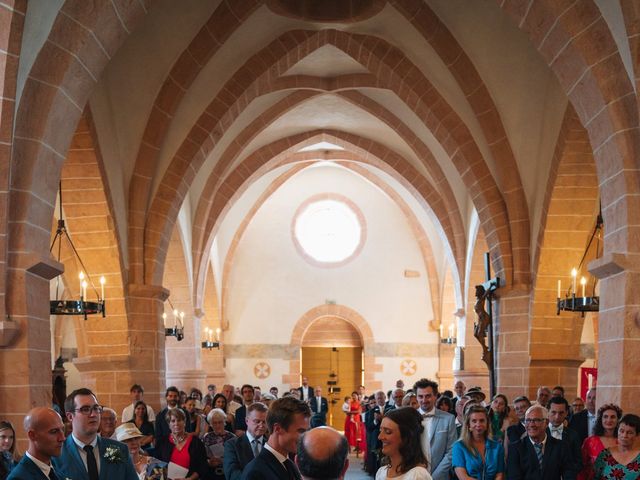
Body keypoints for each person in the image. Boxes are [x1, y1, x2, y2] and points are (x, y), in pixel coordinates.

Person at [54, 388, 138, 480]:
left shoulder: (119, 449)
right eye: (85, 409)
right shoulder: (57, 454)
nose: (93, 414)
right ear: (70, 416)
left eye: (96, 408)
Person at [241, 396, 311, 480]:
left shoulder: (290, 465)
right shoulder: (255, 472)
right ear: (277, 429)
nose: (305, 438)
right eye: (301, 431)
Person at [506, 405, 577, 480]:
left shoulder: (561, 446)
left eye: (536, 420)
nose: (531, 424)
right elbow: (513, 477)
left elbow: (569, 475)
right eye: (528, 420)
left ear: (546, 422)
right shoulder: (516, 448)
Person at [414, 378, 456, 480]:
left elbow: (451, 451)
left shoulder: (448, 419)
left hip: (440, 475)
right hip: (414, 474)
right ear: (416, 397)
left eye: (428, 396)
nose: (424, 400)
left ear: (435, 396)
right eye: (420, 396)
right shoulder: (409, 418)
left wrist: (436, 475)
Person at [7, 408, 65, 480]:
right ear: (32, 435)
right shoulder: (18, 477)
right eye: (54, 431)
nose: (62, 438)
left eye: (62, 429)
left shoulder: (56, 468)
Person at [376, 407, 431, 480]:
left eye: (388, 432)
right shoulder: (382, 472)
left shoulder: (417, 475)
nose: (380, 437)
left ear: (406, 437)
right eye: (380, 430)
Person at [452, 405, 505, 480]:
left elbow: (499, 475)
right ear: (468, 425)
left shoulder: (497, 446)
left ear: (487, 424)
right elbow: (463, 477)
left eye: (482, 420)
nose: (478, 424)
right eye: (474, 421)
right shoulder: (459, 447)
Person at [155, 408, 207, 480]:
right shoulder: (162, 443)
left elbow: (202, 466)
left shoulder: (196, 442)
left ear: (184, 422)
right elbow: (157, 465)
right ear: (169, 424)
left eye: (179, 420)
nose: (176, 423)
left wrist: (190, 479)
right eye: (173, 421)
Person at [223, 402, 267, 480]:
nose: (261, 425)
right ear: (246, 421)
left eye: (264, 422)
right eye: (257, 421)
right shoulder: (232, 445)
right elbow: (232, 474)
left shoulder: (271, 445)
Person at [578, 403, 622, 480]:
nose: (609, 420)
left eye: (613, 417)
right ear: (600, 420)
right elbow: (581, 467)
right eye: (605, 417)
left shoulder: (623, 442)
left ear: (618, 420)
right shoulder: (590, 442)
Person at [593, 414, 640, 480]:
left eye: (630, 432)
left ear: (637, 435)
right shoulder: (605, 455)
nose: (624, 435)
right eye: (621, 431)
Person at [546, 397, 582, 472]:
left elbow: (578, 462)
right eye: (553, 412)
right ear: (547, 412)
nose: (557, 417)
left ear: (566, 413)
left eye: (561, 413)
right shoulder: (540, 433)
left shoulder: (573, 435)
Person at [203, 409, 235, 480]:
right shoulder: (207, 437)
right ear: (211, 424)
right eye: (214, 423)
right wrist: (209, 462)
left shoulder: (232, 437)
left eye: (220, 422)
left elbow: (237, 459)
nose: (217, 425)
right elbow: (202, 457)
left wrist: (222, 460)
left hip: (228, 472)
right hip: (211, 472)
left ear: (224, 422)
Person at [365, 391, 387, 475]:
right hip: (377, 440)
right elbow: (369, 427)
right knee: (376, 463)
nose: (380, 400)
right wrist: (375, 421)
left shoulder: (391, 408)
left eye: (381, 398)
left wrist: (382, 418)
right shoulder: (371, 412)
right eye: (378, 398)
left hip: (388, 439)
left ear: (385, 398)